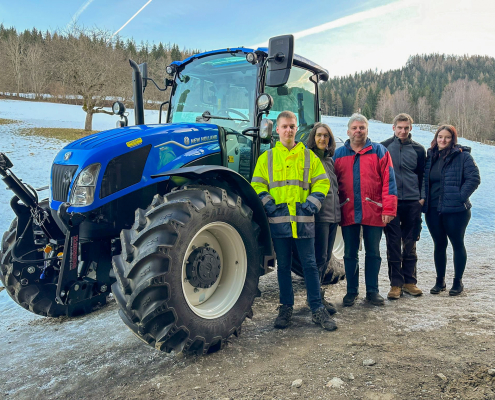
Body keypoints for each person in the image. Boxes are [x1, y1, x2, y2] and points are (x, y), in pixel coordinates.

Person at [251, 111, 337, 331]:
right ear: (277, 130)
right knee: (283, 267)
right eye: (284, 126)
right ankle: (286, 308)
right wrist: (270, 205)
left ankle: (317, 308)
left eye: (292, 126)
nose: (289, 130)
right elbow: (258, 186)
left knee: (309, 264)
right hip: (279, 222)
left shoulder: (308, 156)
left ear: (296, 129)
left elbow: (322, 183)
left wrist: (310, 205)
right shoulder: (267, 158)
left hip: (303, 221)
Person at [333, 113, 397, 307]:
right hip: (348, 209)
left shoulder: (379, 152)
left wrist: (389, 209)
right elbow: (333, 184)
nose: (358, 131)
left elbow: (389, 182)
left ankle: (372, 291)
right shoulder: (339, 154)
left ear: (367, 130)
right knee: (350, 253)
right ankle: (351, 291)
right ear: (348, 131)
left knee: (373, 252)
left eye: (362, 128)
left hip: (374, 210)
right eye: (354, 128)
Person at [422, 125, 480, 296]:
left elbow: (474, 178)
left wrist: (460, 197)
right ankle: (440, 281)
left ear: (452, 139)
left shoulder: (463, 156)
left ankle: (458, 282)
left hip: (456, 210)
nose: (443, 140)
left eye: (447, 137)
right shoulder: (431, 156)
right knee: (439, 244)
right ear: (436, 137)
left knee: (457, 244)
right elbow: (425, 180)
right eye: (440, 137)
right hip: (433, 208)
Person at [381, 113, 426, 300]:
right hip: (391, 203)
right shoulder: (383, 147)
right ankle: (395, 285)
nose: (403, 131)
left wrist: (421, 198)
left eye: (406, 128)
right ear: (393, 128)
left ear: (411, 129)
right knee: (393, 244)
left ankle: (410, 282)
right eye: (399, 127)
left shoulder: (418, 150)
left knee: (410, 243)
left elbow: (423, 176)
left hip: (412, 202)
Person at [305, 122, 341, 314]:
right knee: (318, 258)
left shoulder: (329, 160)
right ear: (313, 137)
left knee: (326, 258)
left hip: (333, 216)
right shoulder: (308, 159)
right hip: (319, 216)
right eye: (319, 135)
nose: (322, 139)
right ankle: (314, 298)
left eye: (326, 136)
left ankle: (317, 295)